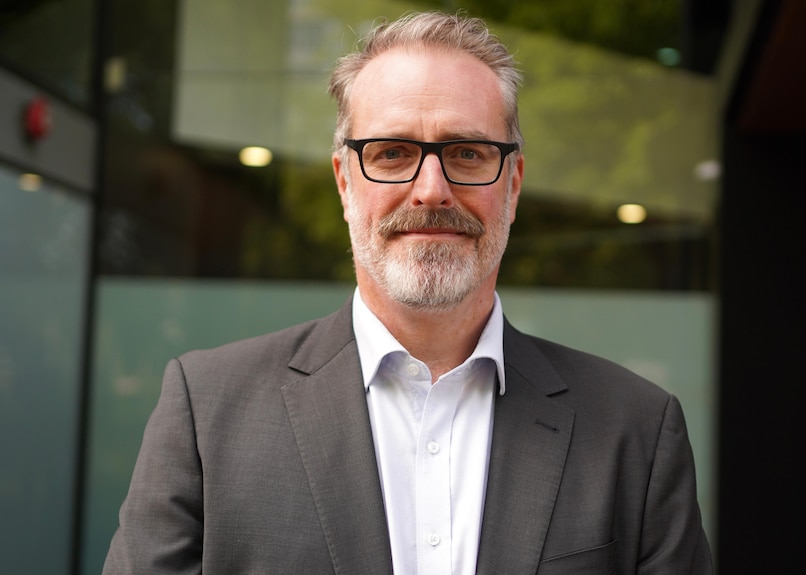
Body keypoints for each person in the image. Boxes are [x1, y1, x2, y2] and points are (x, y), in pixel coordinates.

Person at [103, 11, 713, 574]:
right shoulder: (208, 412)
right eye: (392, 153)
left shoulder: (635, 430)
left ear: (513, 185)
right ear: (345, 183)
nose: (430, 191)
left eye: (468, 153)